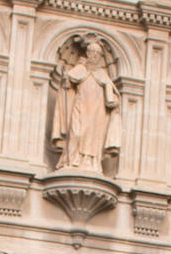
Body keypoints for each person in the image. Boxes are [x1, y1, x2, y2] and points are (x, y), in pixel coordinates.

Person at [51, 38, 121, 172]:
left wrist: (114, 101)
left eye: (97, 53)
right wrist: (65, 81)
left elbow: (113, 96)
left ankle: (90, 163)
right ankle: (71, 160)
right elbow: (67, 83)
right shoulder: (80, 69)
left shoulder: (102, 74)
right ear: (87, 53)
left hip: (96, 111)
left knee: (93, 137)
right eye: (92, 51)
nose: (94, 55)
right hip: (80, 106)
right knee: (76, 133)